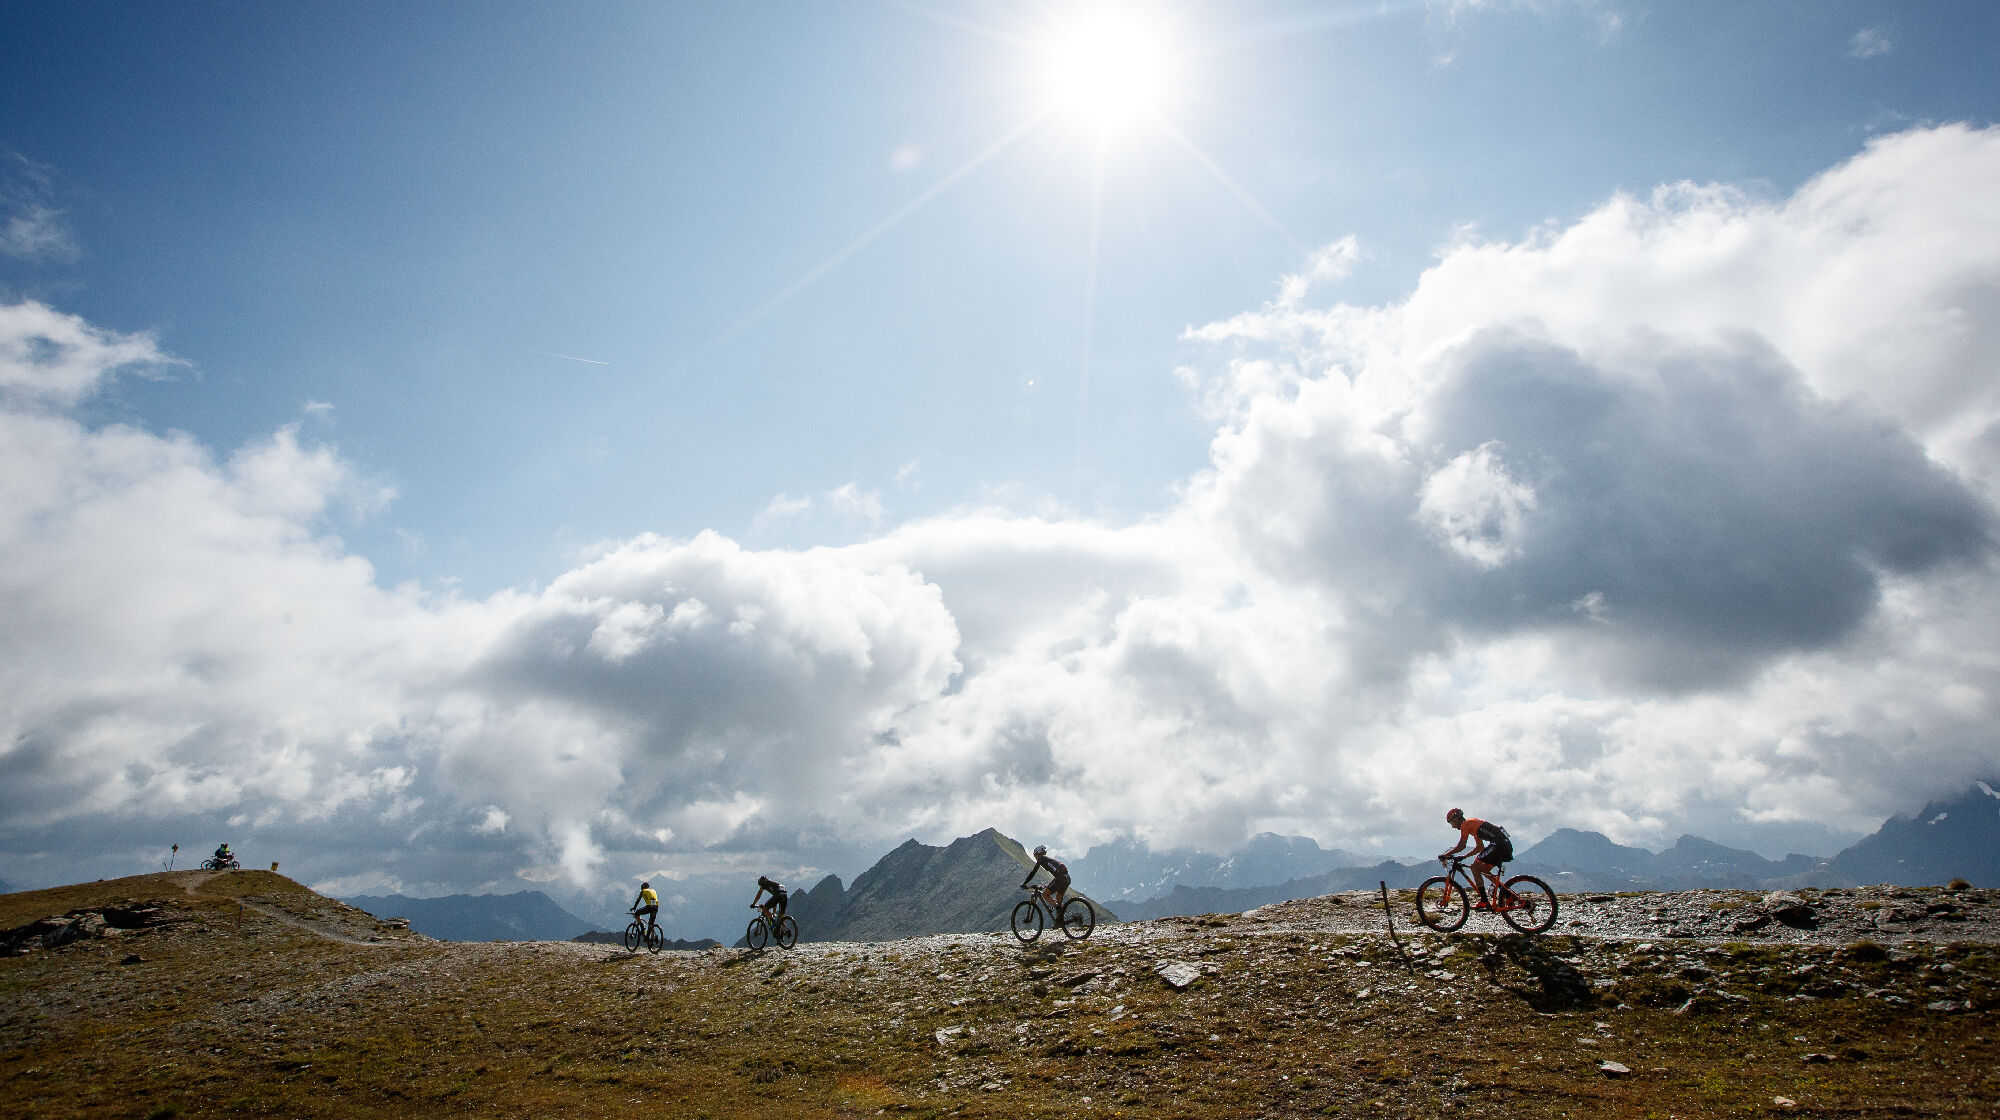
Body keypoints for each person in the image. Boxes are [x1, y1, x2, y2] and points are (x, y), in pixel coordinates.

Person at [1440, 808, 1514, 908]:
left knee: (1475, 868)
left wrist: (1446, 854)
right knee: (1483, 870)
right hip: (1504, 844)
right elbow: (1480, 847)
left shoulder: (1465, 824)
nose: (1452, 826)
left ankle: (1484, 901)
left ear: (1457, 819)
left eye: (1451, 823)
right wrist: (1465, 856)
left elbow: (1462, 845)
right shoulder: (1473, 825)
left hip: (1498, 844)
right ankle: (1509, 895)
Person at [1020, 844, 1070, 912]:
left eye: (1035, 856)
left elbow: (1033, 872)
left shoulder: (1041, 858)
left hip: (1060, 878)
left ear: (1038, 853)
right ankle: (1061, 919)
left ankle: (1058, 909)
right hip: (1066, 878)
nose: (1036, 858)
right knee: (1059, 899)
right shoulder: (1047, 859)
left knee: (1045, 894)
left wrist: (1025, 883)